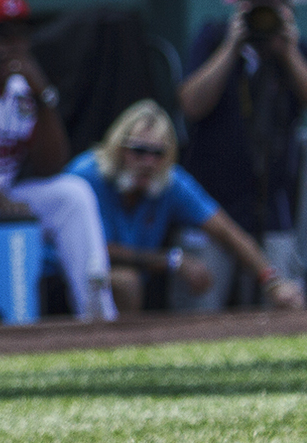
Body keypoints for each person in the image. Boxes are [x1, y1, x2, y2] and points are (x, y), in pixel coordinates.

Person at [0, 0, 115, 320]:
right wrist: (0, 201)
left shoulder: (22, 89)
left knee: (72, 194)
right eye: (2, 36)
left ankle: (97, 310)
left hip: (0, 196)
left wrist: (43, 97)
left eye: (20, 36)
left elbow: (52, 165)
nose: (13, 46)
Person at [70, 97, 305, 313]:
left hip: (114, 279)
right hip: (68, 272)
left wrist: (273, 282)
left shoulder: (169, 181)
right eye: (139, 151)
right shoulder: (87, 174)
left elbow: (228, 232)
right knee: (126, 282)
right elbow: (93, 250)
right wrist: (172, 261)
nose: (148, 162)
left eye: (158, 153)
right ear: (119, 148)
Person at [177, 0, 307, 306]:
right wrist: (231, 47)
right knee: (201, 310)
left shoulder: (293, 50)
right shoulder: (214, 37)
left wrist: (288, 52)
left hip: (273, 204)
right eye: (253, 8)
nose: (261, 18)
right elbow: (191, 104)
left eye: (270, 8)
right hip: (211, 204)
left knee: (285, 304)